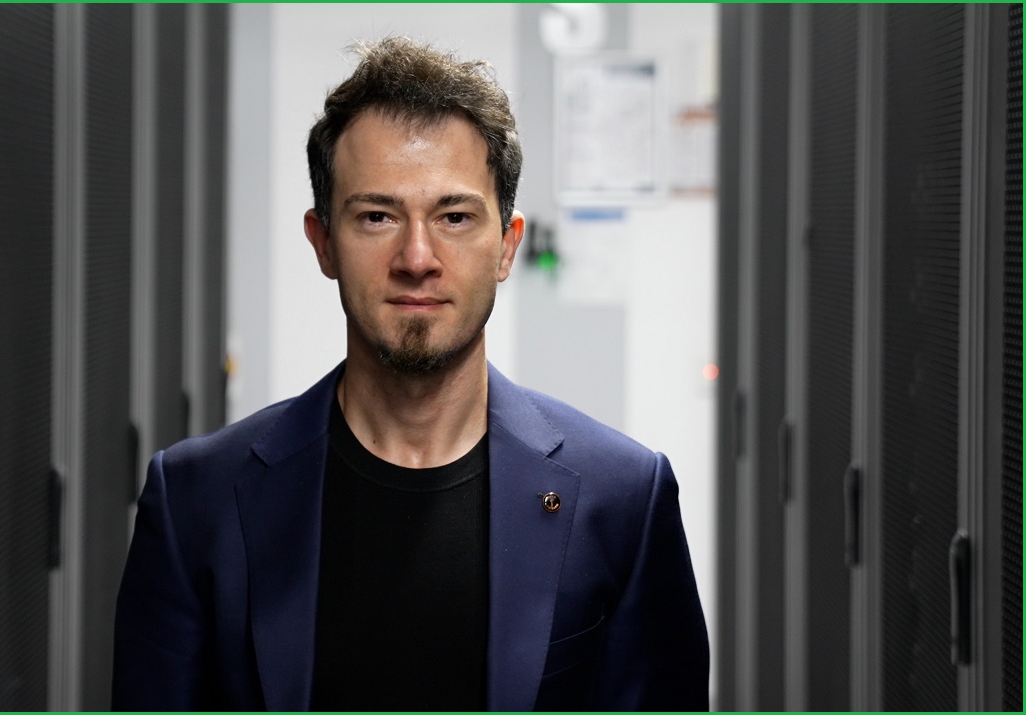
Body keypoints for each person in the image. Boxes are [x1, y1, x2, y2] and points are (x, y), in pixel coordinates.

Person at [112, 37, 708, 711]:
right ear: (323, 241)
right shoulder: (196, 499)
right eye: (376, 216)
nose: (416, 257)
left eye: (454, 217)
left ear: (507, 246)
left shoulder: (622, 498)